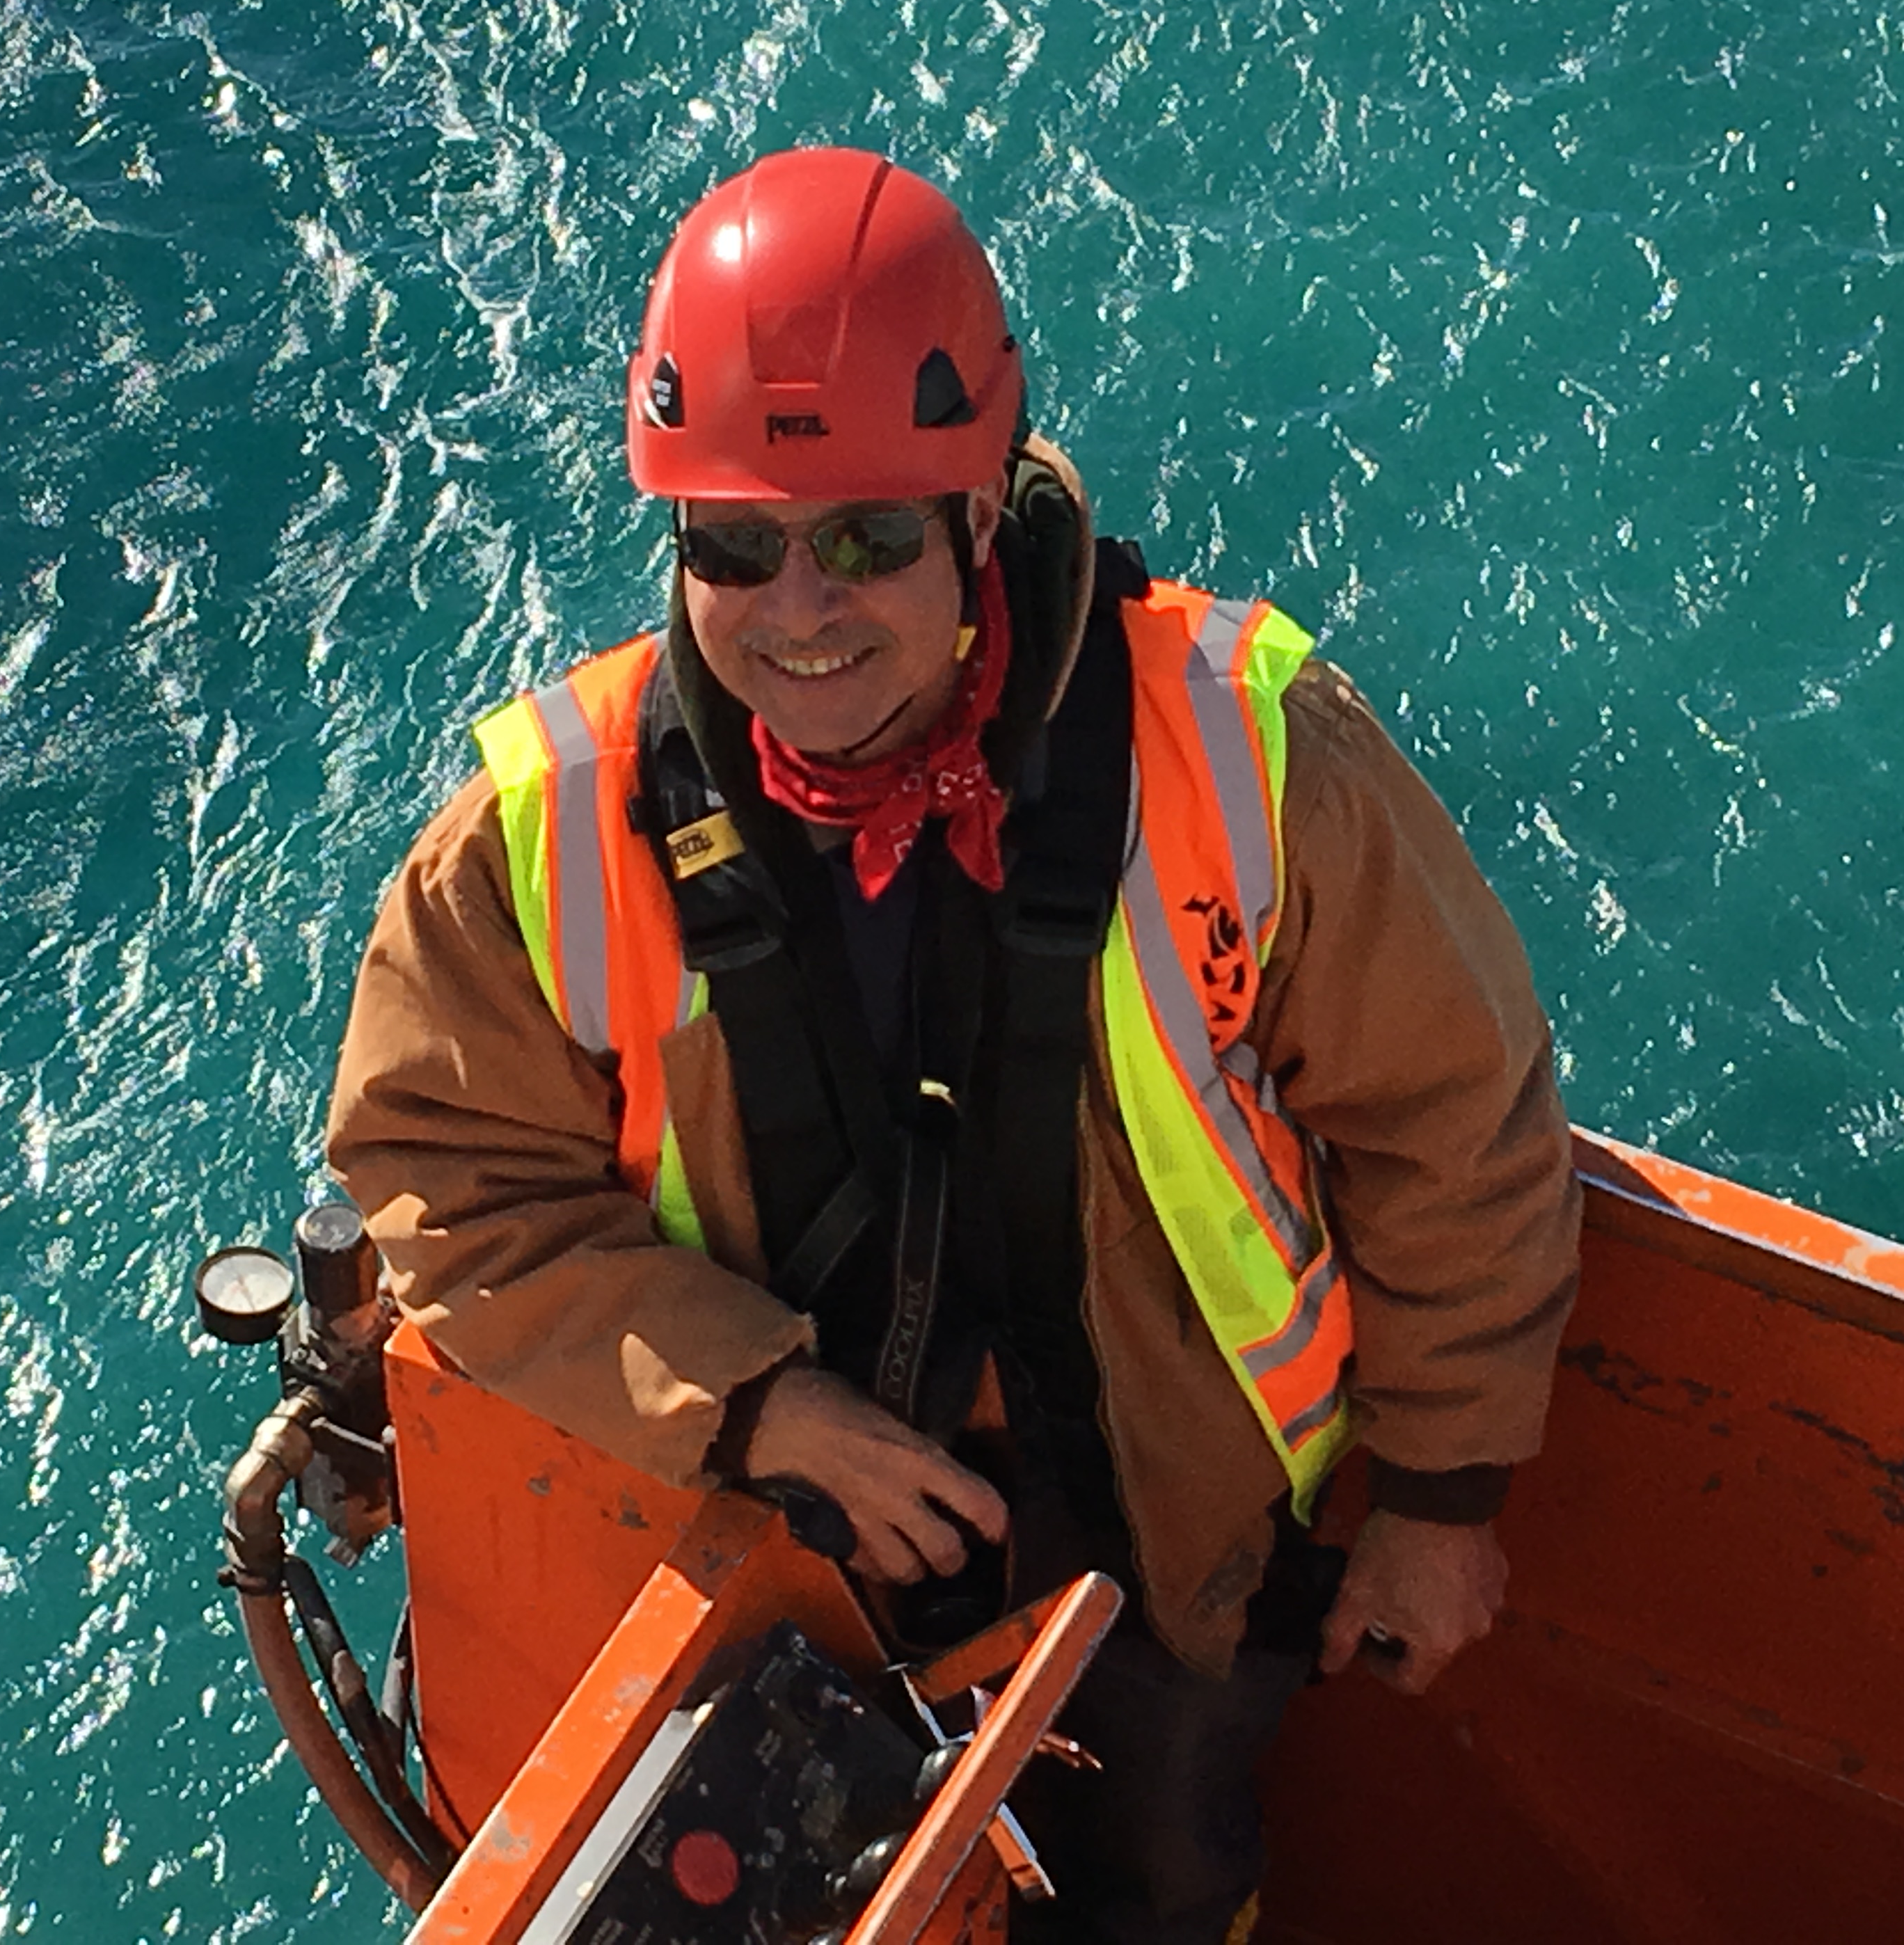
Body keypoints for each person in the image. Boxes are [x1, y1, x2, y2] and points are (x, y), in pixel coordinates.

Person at [327, 146, 1581, 1942]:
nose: (801, 608)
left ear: (981, 518)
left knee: (1171, 1879)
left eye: (868, 538)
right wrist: (759, 1403)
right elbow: (442, 1182)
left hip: (1174, 1563)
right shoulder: (539, 843)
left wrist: (1447, 1492)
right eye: (736, 547)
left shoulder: (1240, 749)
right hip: (799, 1565)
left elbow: (1454, 1119)